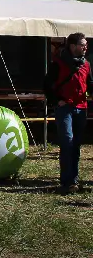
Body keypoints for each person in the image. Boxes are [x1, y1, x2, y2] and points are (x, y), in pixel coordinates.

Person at [44, 32, 92, 194]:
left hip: (81, 108)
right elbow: (46, 85)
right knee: (67, 142)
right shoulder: (58, 64)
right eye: (82, 44)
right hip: (65, 108)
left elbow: (90, 84)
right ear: (72, 46)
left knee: (76, 145)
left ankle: (74, 180)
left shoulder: (86, 64)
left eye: (85, 44)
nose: (86, 47)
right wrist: (57, 100)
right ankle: (66, 181)